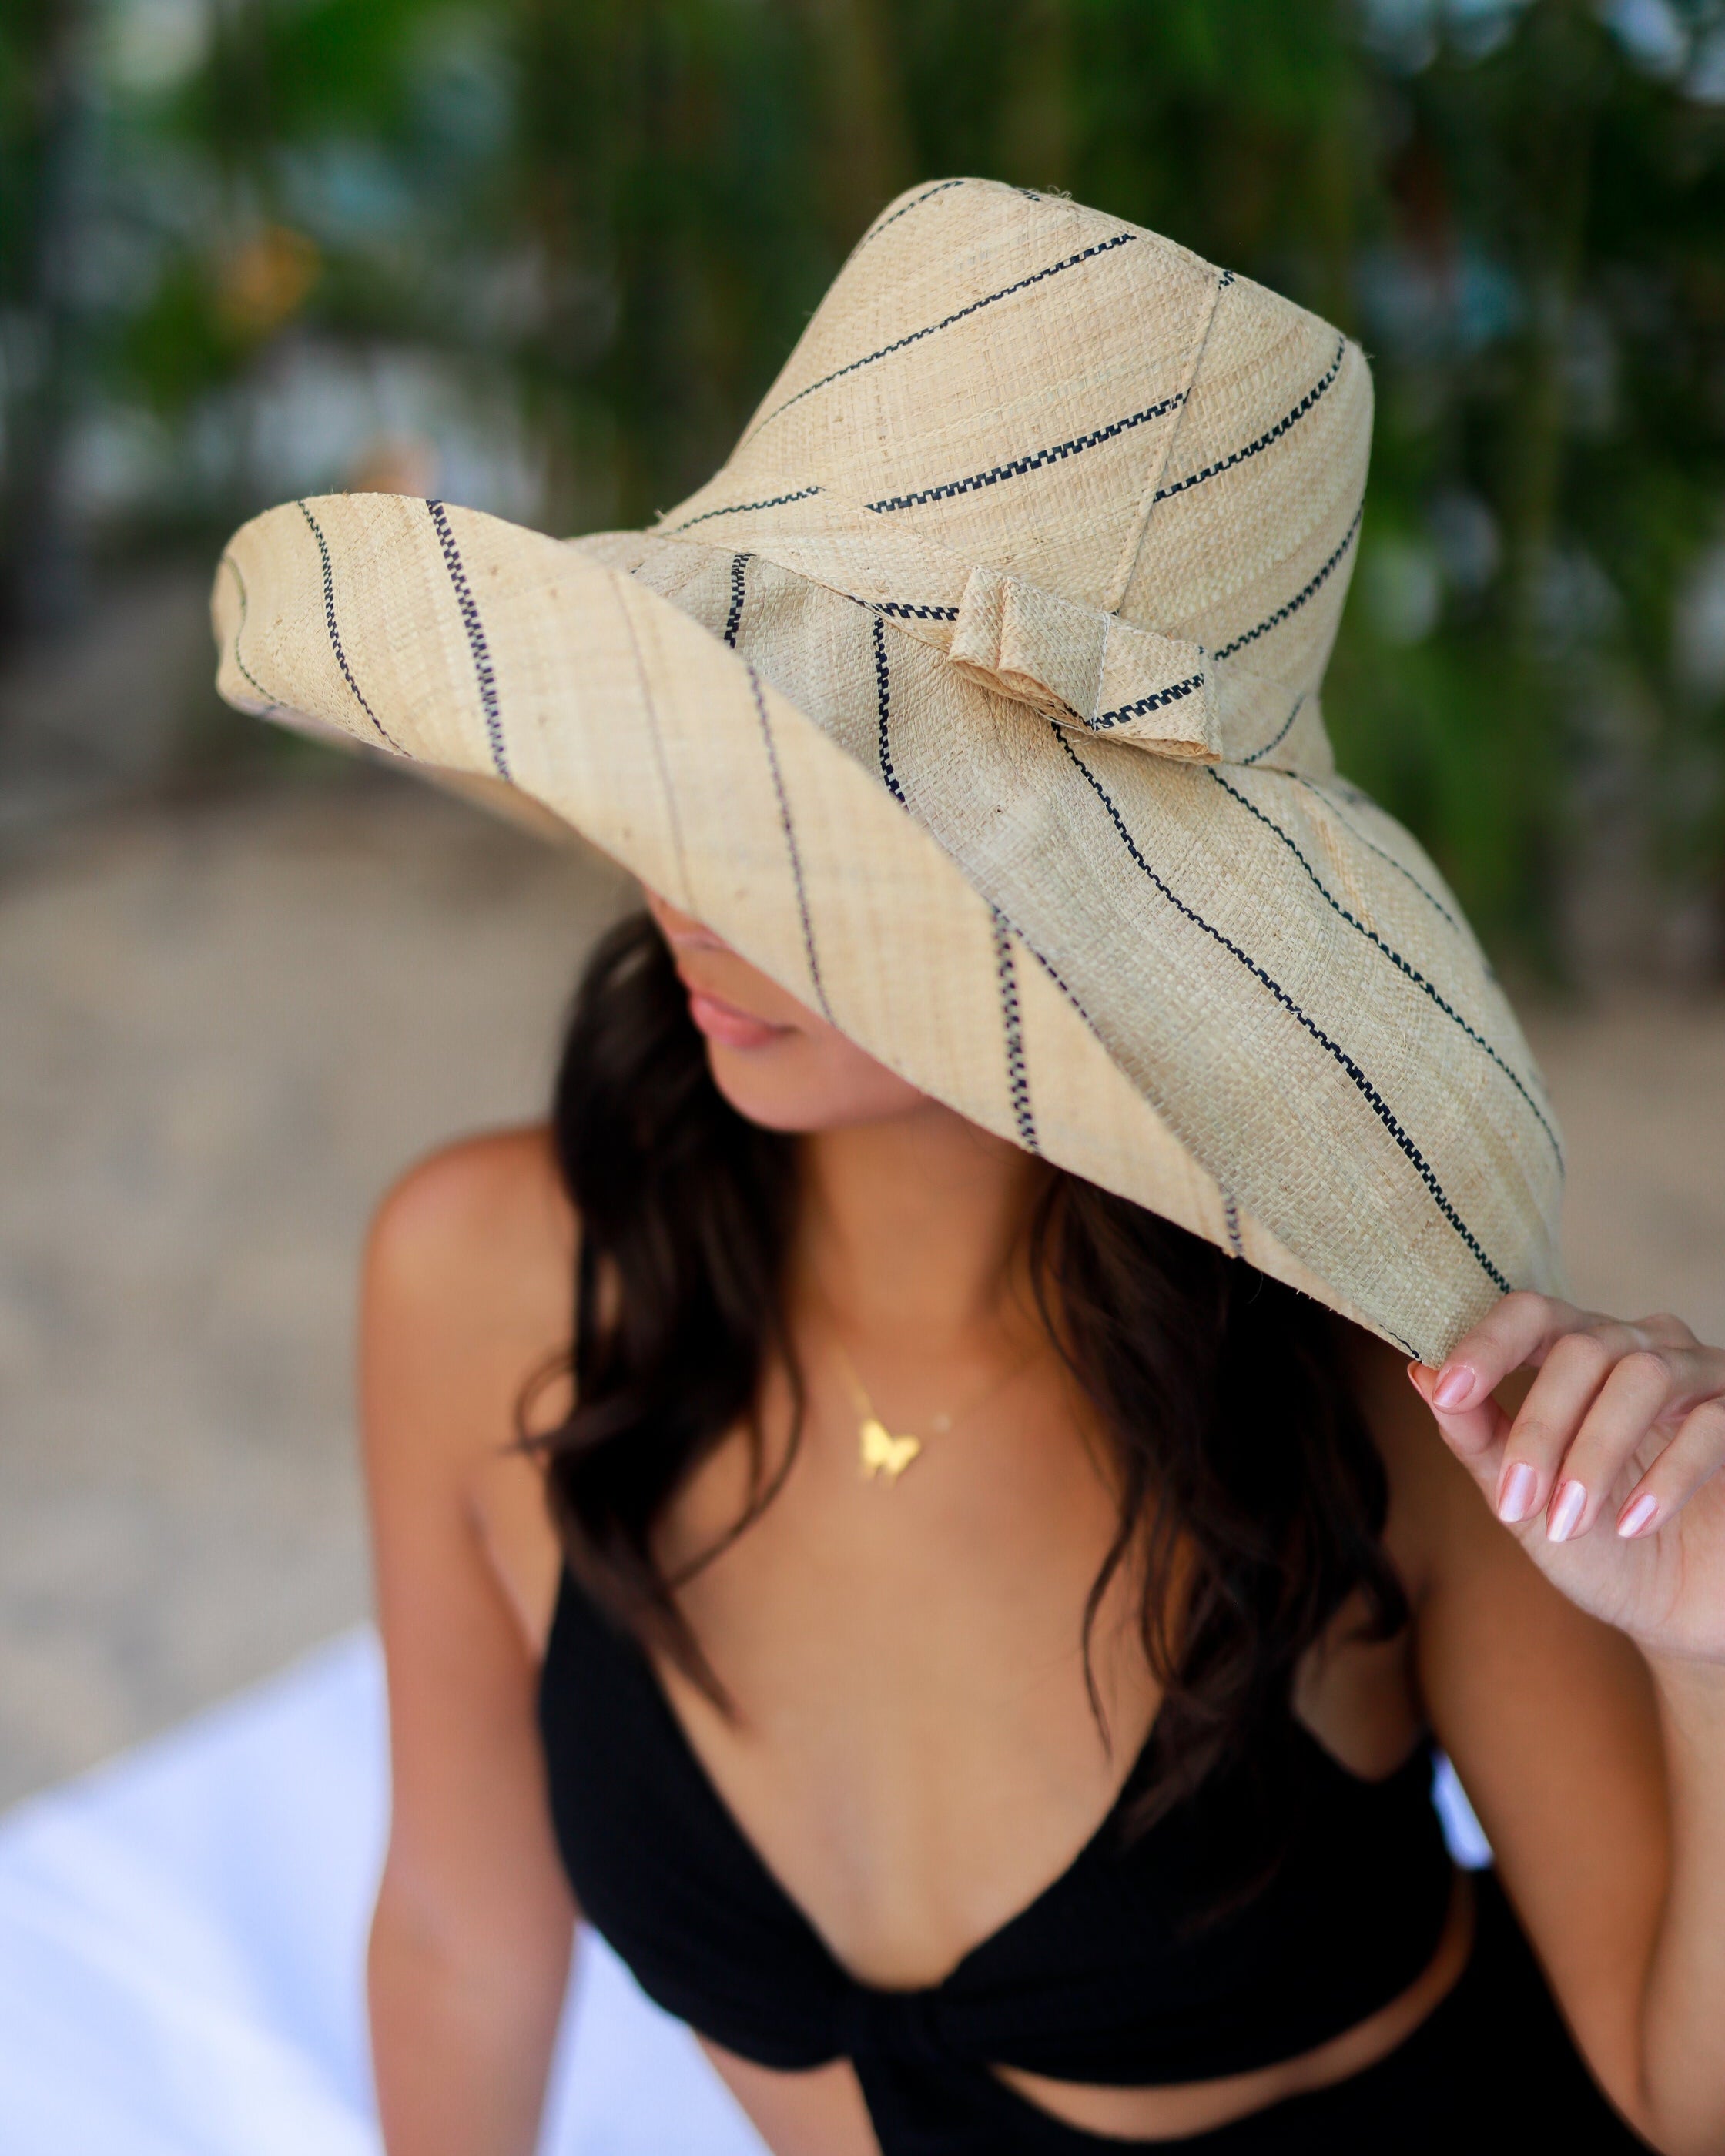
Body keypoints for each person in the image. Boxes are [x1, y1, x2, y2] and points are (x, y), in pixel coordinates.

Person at [213, 180, 1725, 2154]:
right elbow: (457, 1936)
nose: (699, 894)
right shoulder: (480, 1273)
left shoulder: (1388, 1385)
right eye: (720, 776)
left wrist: (1707, 1654)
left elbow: (1673, 2092)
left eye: (823, 831)